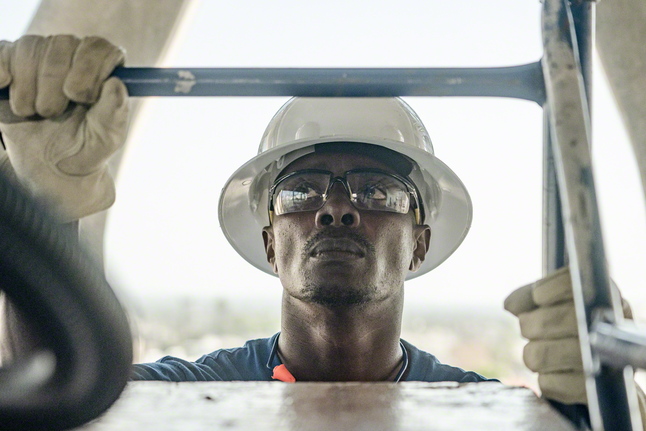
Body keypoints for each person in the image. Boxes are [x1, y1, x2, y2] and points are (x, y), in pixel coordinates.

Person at [0, 35, 644, 424]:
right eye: (302, 191)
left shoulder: (483, 407)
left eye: (377, 190)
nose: (337, 208)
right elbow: (59, 394)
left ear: (419, 240)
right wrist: (47, 205)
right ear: (269, 239)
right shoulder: (192, 394)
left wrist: (610, 400)